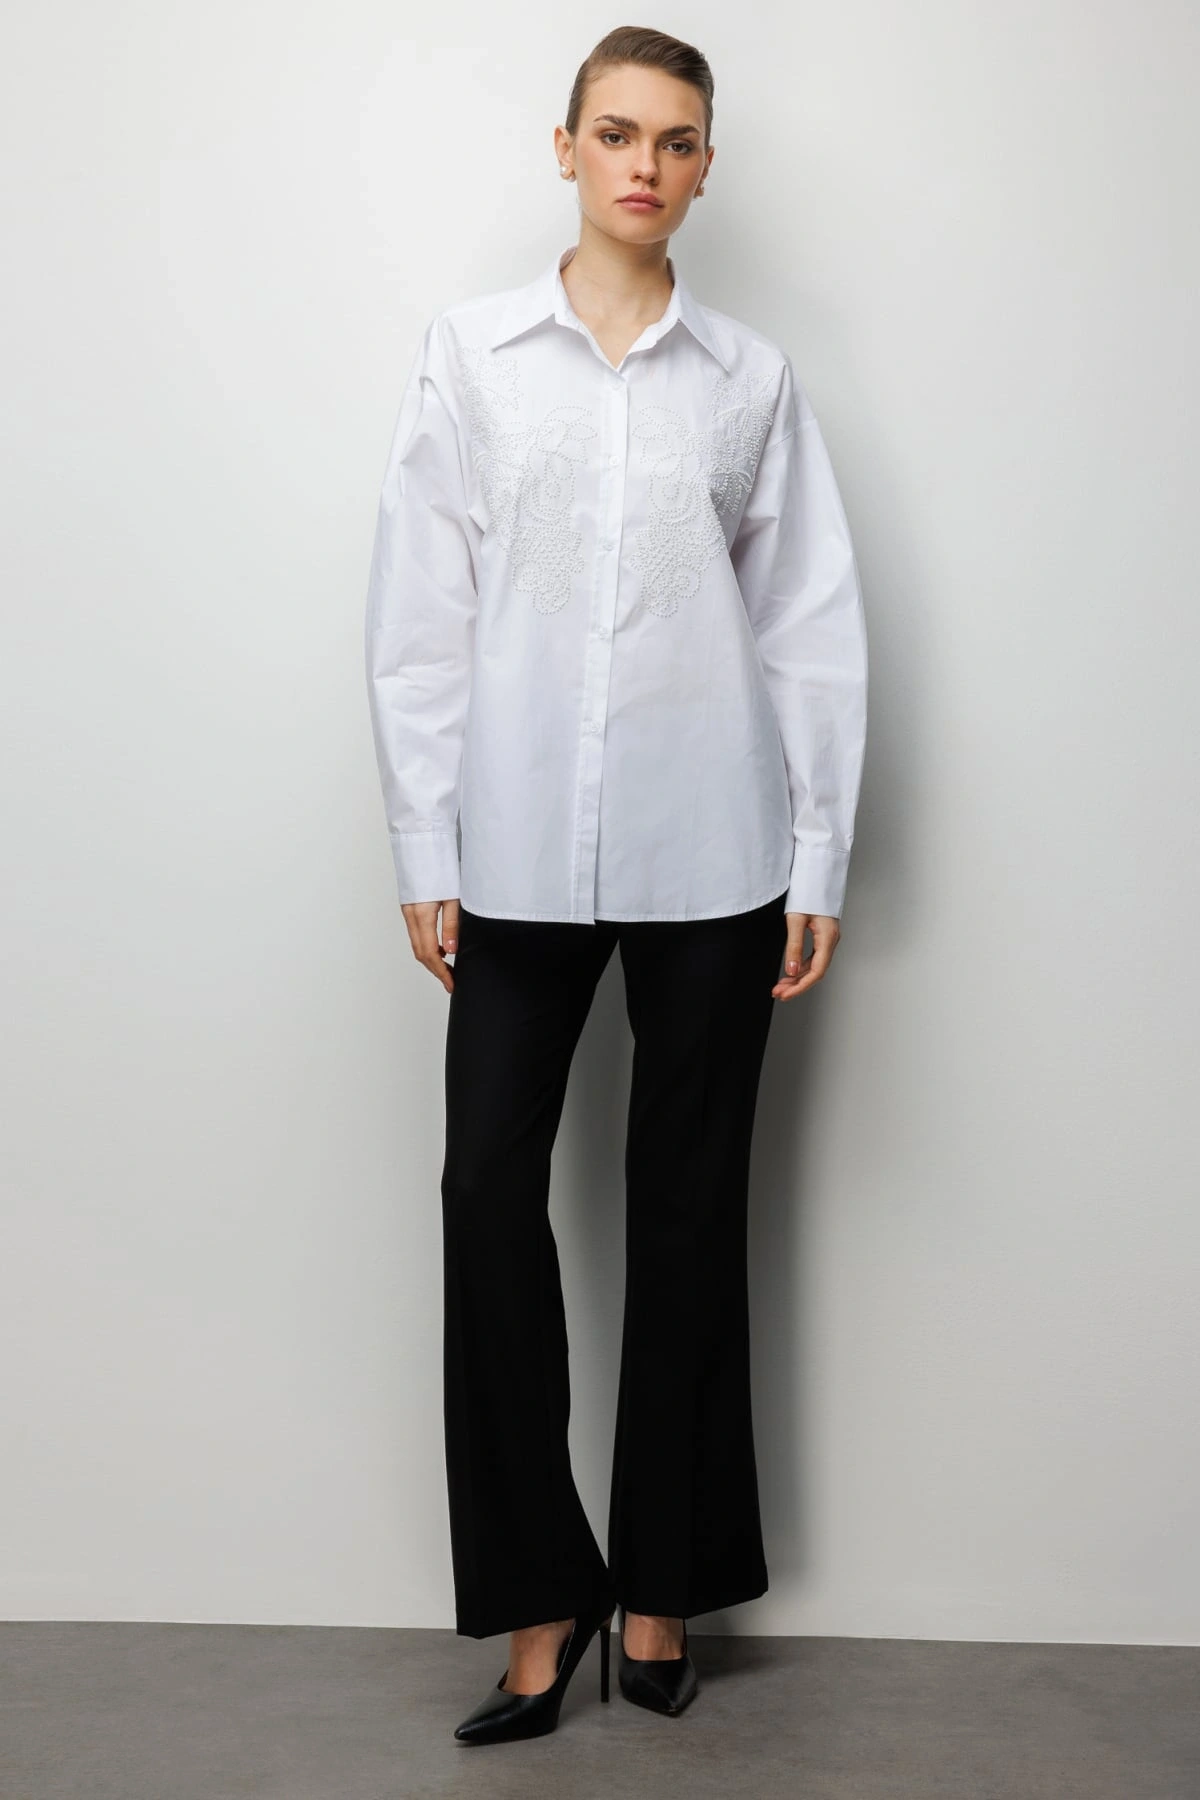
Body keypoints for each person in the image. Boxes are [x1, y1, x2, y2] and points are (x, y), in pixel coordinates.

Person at [364, 25, 868, 1746]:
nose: (645, 164)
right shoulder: (472, 359)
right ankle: (538, 1597)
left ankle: (661, 1591)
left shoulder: (751, 382)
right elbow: (420, 615)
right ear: (566, 145)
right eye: (619, 132)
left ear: (706, 167)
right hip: (511, 848)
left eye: (678, 140)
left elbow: (807, 624)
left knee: (690, 1207)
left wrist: (818, 850)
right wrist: (425, 843)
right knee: (485, 1195)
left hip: (713, 849)